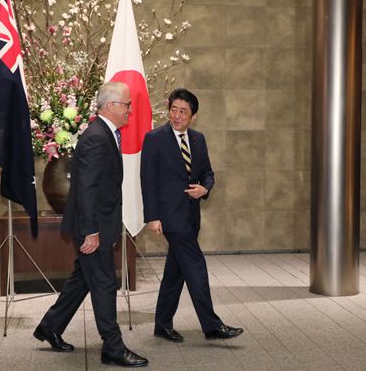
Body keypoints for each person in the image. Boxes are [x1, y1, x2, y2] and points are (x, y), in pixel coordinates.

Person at [34, 82, 148, 368]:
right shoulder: (98, 137)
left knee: (82, 280)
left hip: (97, 222)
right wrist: (92, 232)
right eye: (126, 105)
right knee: (105, 283)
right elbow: (86, 188)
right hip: (92, 226)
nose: (129, 111)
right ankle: (113, 347)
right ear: (110, 106)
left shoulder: (105, 134)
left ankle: (50, 327)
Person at [140, 88, 244, 342]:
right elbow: (147, 180)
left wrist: (204, 189)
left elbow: (208, 172)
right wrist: (152, 216)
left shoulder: (198, 139)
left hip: (191, 216)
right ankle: (212, 326)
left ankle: (162, 324)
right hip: (170, 217)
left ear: (193, 116)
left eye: (183, 111)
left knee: (175, 274)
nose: (176, 115)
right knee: (196, 267)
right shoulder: (154, 138)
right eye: (173, 109)